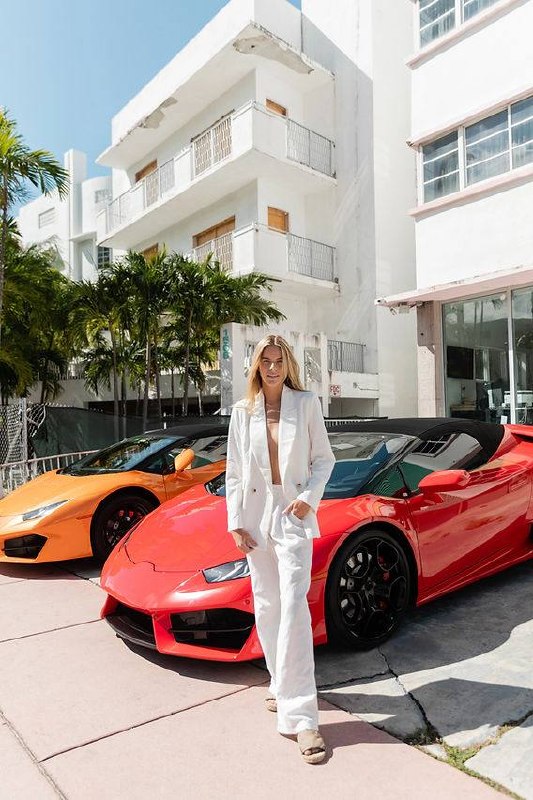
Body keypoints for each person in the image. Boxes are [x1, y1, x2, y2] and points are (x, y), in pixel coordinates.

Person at [226, 334, 335, 764]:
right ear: (255, 367)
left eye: (278, 360)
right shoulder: (242, 411)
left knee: (294, 607)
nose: (272, 367)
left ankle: (303, 716)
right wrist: (236, 521)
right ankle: (280, 685)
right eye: (265, 361)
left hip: (292, 512)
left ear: (288, 364)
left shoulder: (306, 403)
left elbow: (324, 459)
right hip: (256, 517)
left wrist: (310, 496)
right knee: (268, 606)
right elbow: (235, 469)